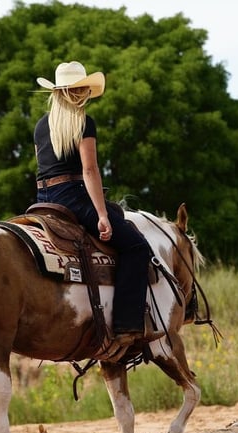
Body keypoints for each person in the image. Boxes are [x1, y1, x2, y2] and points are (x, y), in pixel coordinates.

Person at [34, 61, 163, 347]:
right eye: (81, 88)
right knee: (136, 246)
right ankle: (127, 325)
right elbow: (89, 171)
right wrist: (102, 214)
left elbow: (44, 167)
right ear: (73, 92)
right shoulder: (83, 122)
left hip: (42, 198)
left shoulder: (42, 126)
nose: (85, 94)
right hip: (72, 197)